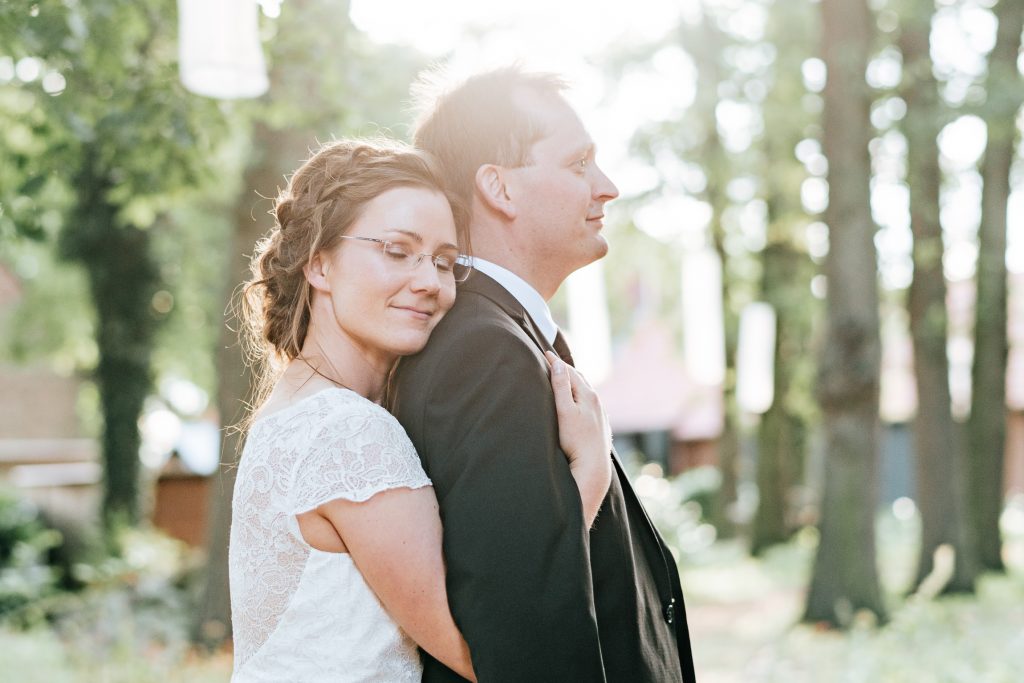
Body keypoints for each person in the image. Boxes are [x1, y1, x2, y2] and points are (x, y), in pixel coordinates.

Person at [228, 138, 613, 682]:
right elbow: (490, 650)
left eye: (444, 261)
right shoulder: (349, 435)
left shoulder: (296, 410)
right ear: (319, 263)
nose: (429, 282)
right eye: (396, 250)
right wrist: (589, 477)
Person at [392, 66, 697, 682]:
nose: (606, 187)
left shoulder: (507, 338)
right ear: (499, 189)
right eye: (579, 163)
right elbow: (519, 623)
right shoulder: (484, 354)